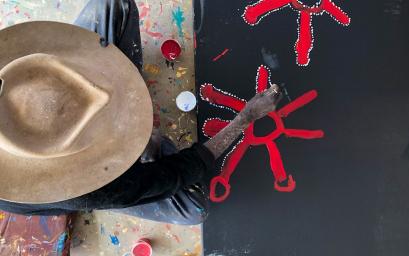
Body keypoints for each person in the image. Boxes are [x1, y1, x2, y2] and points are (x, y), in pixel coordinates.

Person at [0, 0, 282, 225]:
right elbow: (184, 169)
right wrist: (245, 118)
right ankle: (146, 147)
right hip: (90, 176)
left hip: (69, 82)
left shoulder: (17, 80)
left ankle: (95, 84)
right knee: (194, 208)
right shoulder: (85, 188)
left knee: (113, 6)